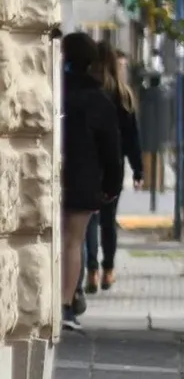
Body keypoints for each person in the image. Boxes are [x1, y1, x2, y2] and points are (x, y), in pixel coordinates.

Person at [59, 32, 123, 331]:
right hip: (83, 179)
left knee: (52, 240)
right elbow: (112, 149)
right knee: (74, 241)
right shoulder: (99, 100)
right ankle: (65, 305)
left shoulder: (54, 92)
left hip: (50, 175)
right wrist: (111, 186)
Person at [83, 42, 143, 294]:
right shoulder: (123, 95)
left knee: (89, 220)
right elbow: (132, 137)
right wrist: (137, 168)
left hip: (89, 163)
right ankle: (108, 269)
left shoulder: (89, 92)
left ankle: (92, 271)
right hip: (114, 165)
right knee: (108, 220)